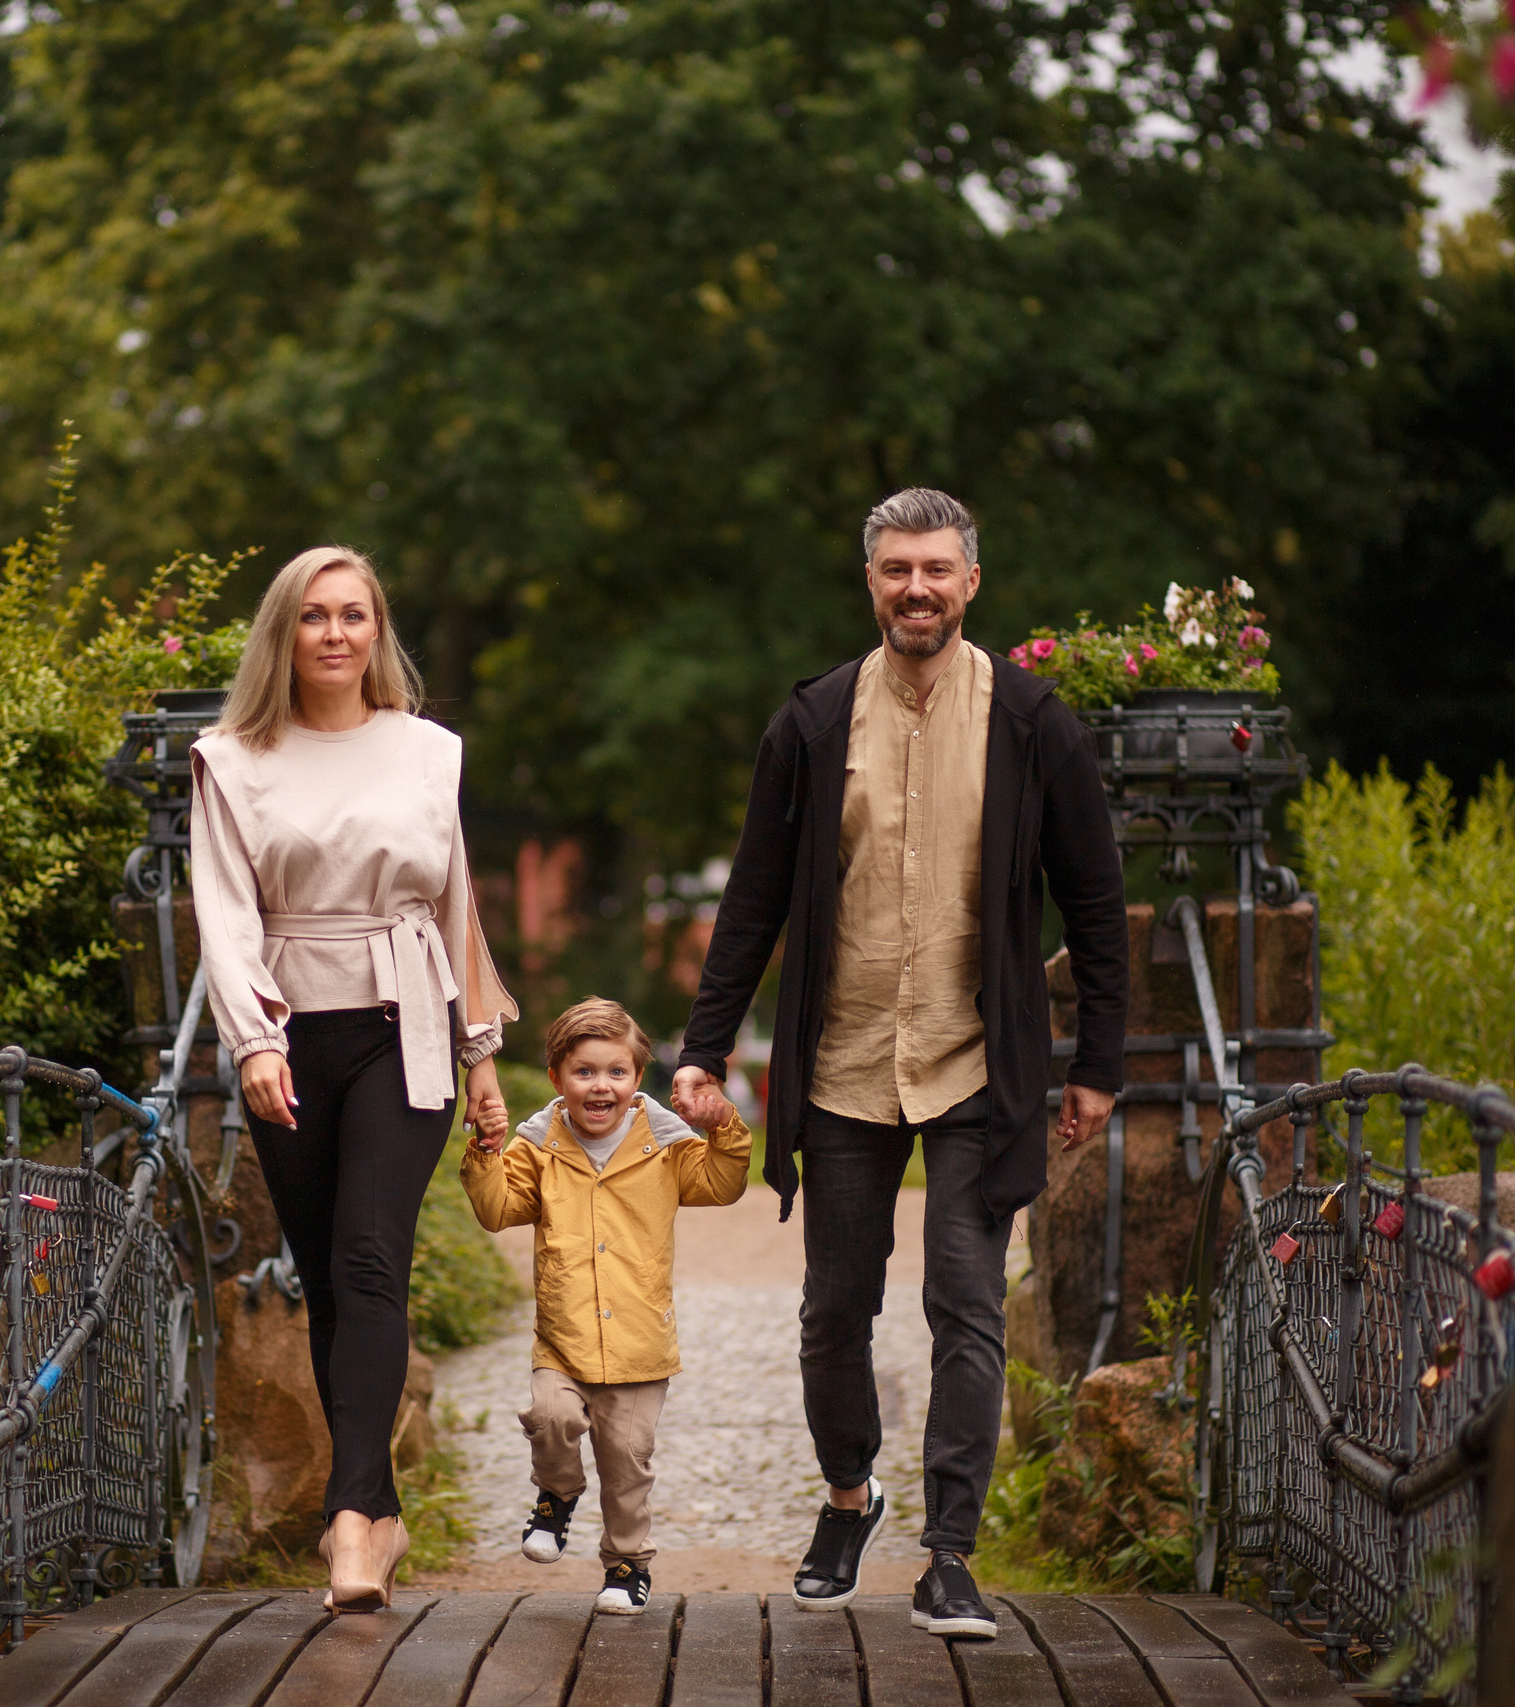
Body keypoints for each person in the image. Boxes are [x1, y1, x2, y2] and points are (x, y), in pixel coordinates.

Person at [667, 488, 1127, 1639]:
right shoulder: (815, 721)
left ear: (972, 581)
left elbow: (1098, 904)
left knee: (965, 1304)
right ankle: (846, 1498)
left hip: (980, 1064)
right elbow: (754, 899)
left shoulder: (1034, 722)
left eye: (935, 569)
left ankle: (951, 1553)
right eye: (893, 570)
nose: (914, 588)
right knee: (832, 1309)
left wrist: (1097, 1065)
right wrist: (703, 1047)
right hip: (841, 1063)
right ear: (868, 582)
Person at [189, 545, 518, 1614]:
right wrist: (255, 1042)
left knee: (371, 1259)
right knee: (330, 1279)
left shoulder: (428, 752)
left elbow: (458, 903)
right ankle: (376, 1514)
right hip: (292, 1032)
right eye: (315, 616)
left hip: (405, 1026)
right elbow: (225, 914)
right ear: (284, 633)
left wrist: (481, 1059)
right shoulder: (232, 760)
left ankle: (347, 1519)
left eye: (356, 615)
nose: (336, 633)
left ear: (379, 632)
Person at [460, 997, 751, 1615]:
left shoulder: (667, 1149)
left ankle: (626, 1566)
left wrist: (724, 1126)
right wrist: (485, 1152)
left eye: (616, 1073)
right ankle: (556, 1494)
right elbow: (497, 1210)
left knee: (627, 1465)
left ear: (636, 1079)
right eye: (584, 1072)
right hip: (562, 1340)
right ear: (557, 1080)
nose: (601, 1086)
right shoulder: (538, 1146)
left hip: (641, 1345)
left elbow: (724, 1185)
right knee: (551, 1418)